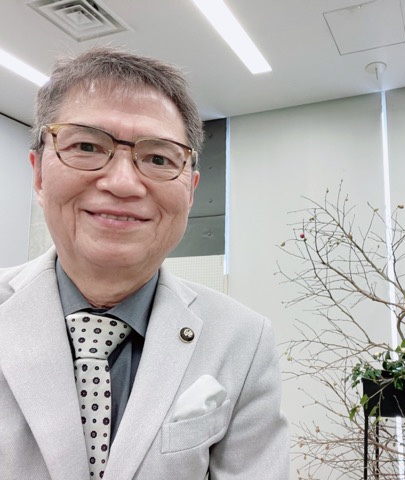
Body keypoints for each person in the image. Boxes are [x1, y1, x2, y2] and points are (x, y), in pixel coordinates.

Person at [0, 46, 289, 480]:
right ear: (39, 173)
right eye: (86, 146)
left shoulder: (244, 340)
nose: (122, 183)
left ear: (190, 191)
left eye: (158, 158)